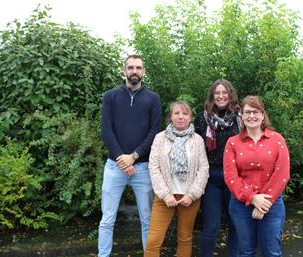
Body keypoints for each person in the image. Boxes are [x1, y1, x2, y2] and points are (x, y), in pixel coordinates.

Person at [98, 54, 162, 257]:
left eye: (138, 68)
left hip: (142, 168)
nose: (135, 71)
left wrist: (133, 156)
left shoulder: (153, 98)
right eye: (131, 67)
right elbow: (106, 131)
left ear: (144, 72)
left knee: (147, 219)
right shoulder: (110, 96)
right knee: (107, 219)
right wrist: (122, 159)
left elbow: (154, 132)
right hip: (114, 166)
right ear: (124, 71)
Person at [223, 95, 290, 257]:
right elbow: (231, 177)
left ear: (262, 115)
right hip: (241, 206)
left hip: (272, 205)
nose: (251, 116)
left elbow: (282, 173)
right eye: (247, 112)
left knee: (272, 252)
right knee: (246, 252)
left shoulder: (277, 139)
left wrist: (264, 202)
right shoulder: (232, 143)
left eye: (255, 112)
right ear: (241, 115)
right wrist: (253, 198)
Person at [144, 100, 209, 257]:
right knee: (153, 240)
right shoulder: (160, 138)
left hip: (189, 198)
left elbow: (204, 168)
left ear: (190, 117)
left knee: (185, 238)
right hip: (164, 197)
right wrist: (165, 195)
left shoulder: (198, 140)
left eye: (185, 113)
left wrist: (192, 195)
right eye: (177, 113)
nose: (181, 117)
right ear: (170, 117)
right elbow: (153, 167)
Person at [194, 79, 241, 257]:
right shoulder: (202, 118)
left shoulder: (240, 118)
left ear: (230, 95)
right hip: (210, 178)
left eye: (224, 92)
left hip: (234, 177)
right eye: (217, 93)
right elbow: (196, 147)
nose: (221, 96)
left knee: (235, 222)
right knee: (211, 225)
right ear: (212, 96)